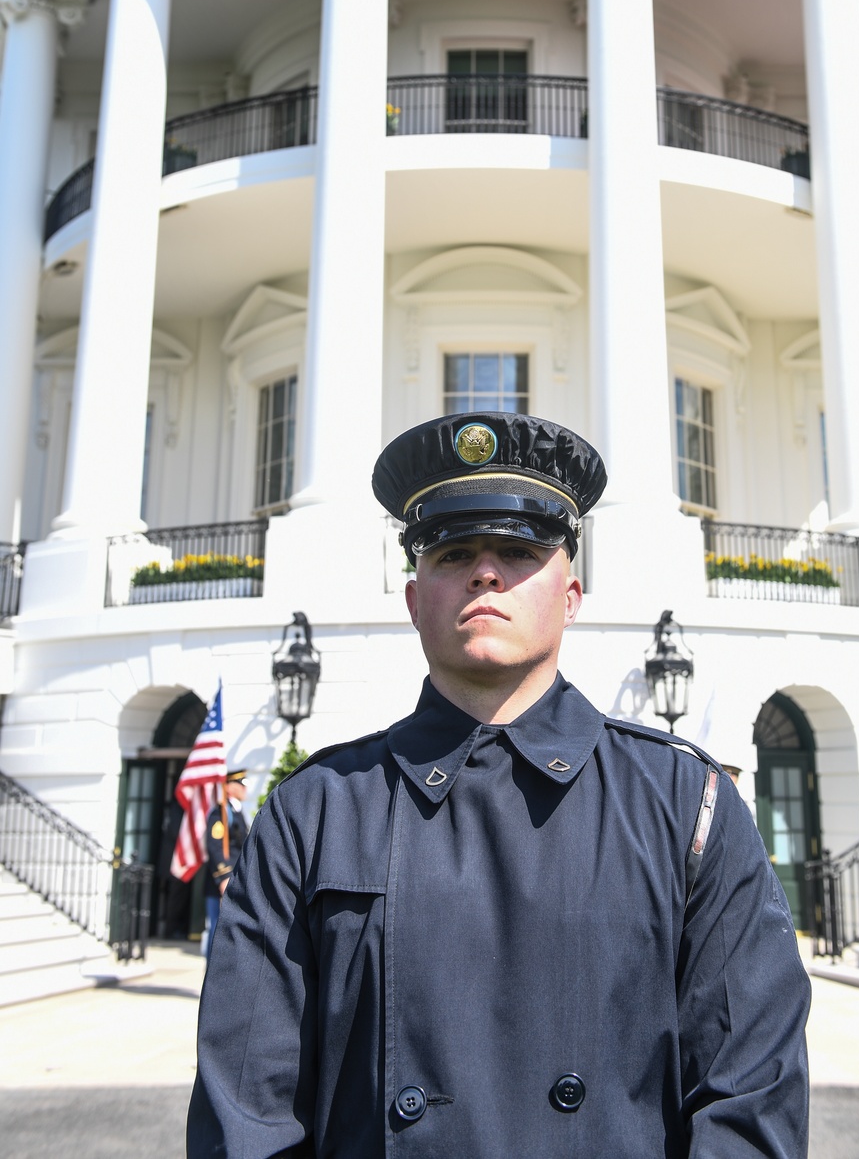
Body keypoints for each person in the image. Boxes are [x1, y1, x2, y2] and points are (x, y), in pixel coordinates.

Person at [188, 412, 810, 1157]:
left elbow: (750, 1107)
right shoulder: (313, 814)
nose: (486, 572)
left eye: (518, 550)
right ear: (416, 602)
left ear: (572, 595)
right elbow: (247, 1117)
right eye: (452, 552)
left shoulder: (688, 805)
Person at [202, 767, 249, 960]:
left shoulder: (236, 812)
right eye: (241, 784)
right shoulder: (220, 813)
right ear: (229, 786)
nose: (245, 789)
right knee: (217, 929)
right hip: (220, 884)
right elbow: (215, 847)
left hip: (234, 882)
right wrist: (223, 877)